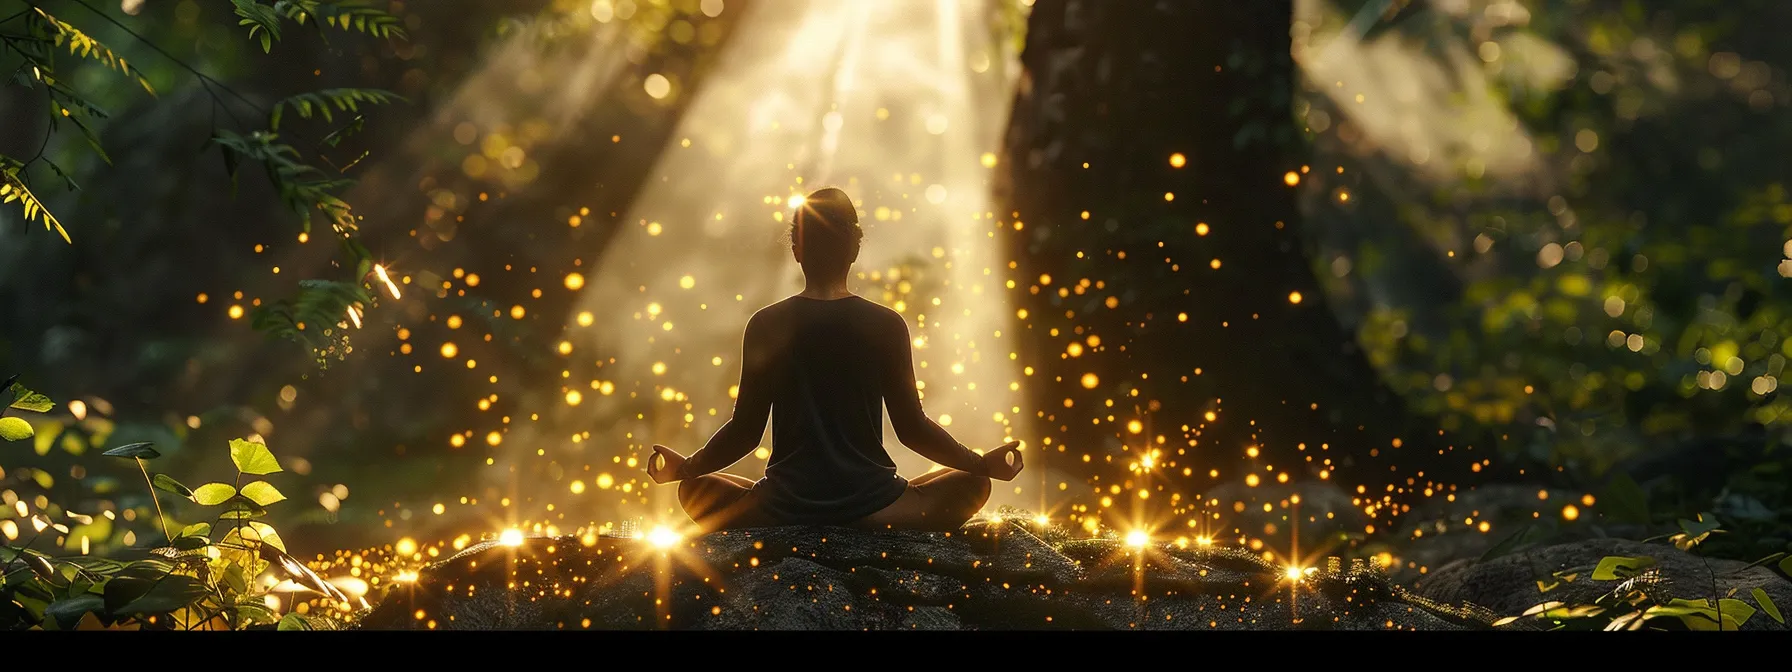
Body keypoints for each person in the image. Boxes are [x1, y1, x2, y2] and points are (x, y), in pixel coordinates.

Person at [643, 187, 1024, 533]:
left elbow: (745, 432)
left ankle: (784, 510)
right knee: (972, 484)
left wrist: (687, 468)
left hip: (786, 505)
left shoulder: (766, 324)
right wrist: (980, 465)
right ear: (854, 249)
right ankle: (869, 520)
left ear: (796, 250)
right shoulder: (886, 324)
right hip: (872, 503)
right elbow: (912, 429)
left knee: (693, 490)